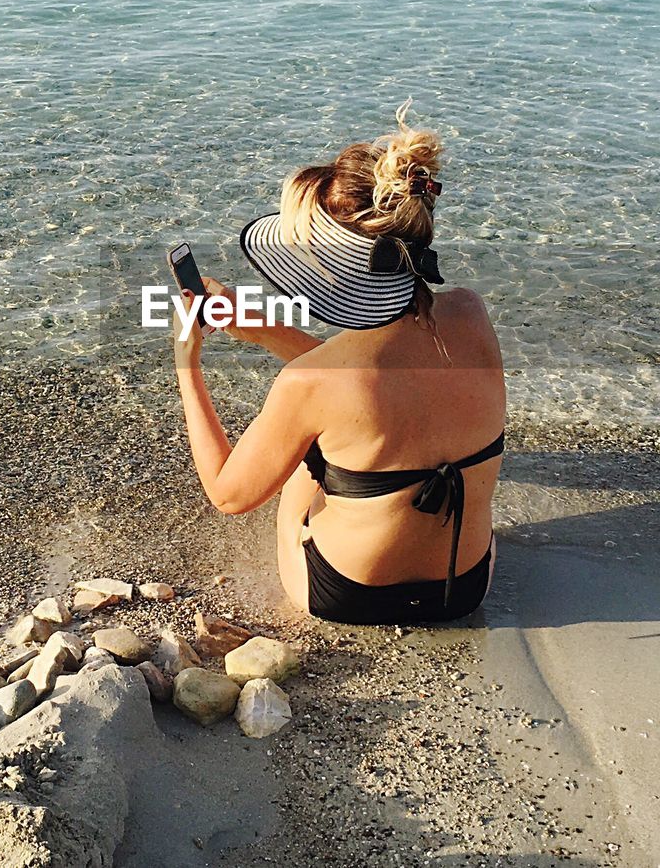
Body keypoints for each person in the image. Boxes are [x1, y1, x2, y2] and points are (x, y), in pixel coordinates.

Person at [170, 102, 506, 625]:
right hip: (464, 590)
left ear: (329, 265)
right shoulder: (470, 314)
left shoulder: (311, 382)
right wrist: (254, 325)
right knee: (358, 439)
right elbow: (361, 385)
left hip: (346, 597)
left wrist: (187, 368)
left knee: (308, 468)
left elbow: (228, 494)